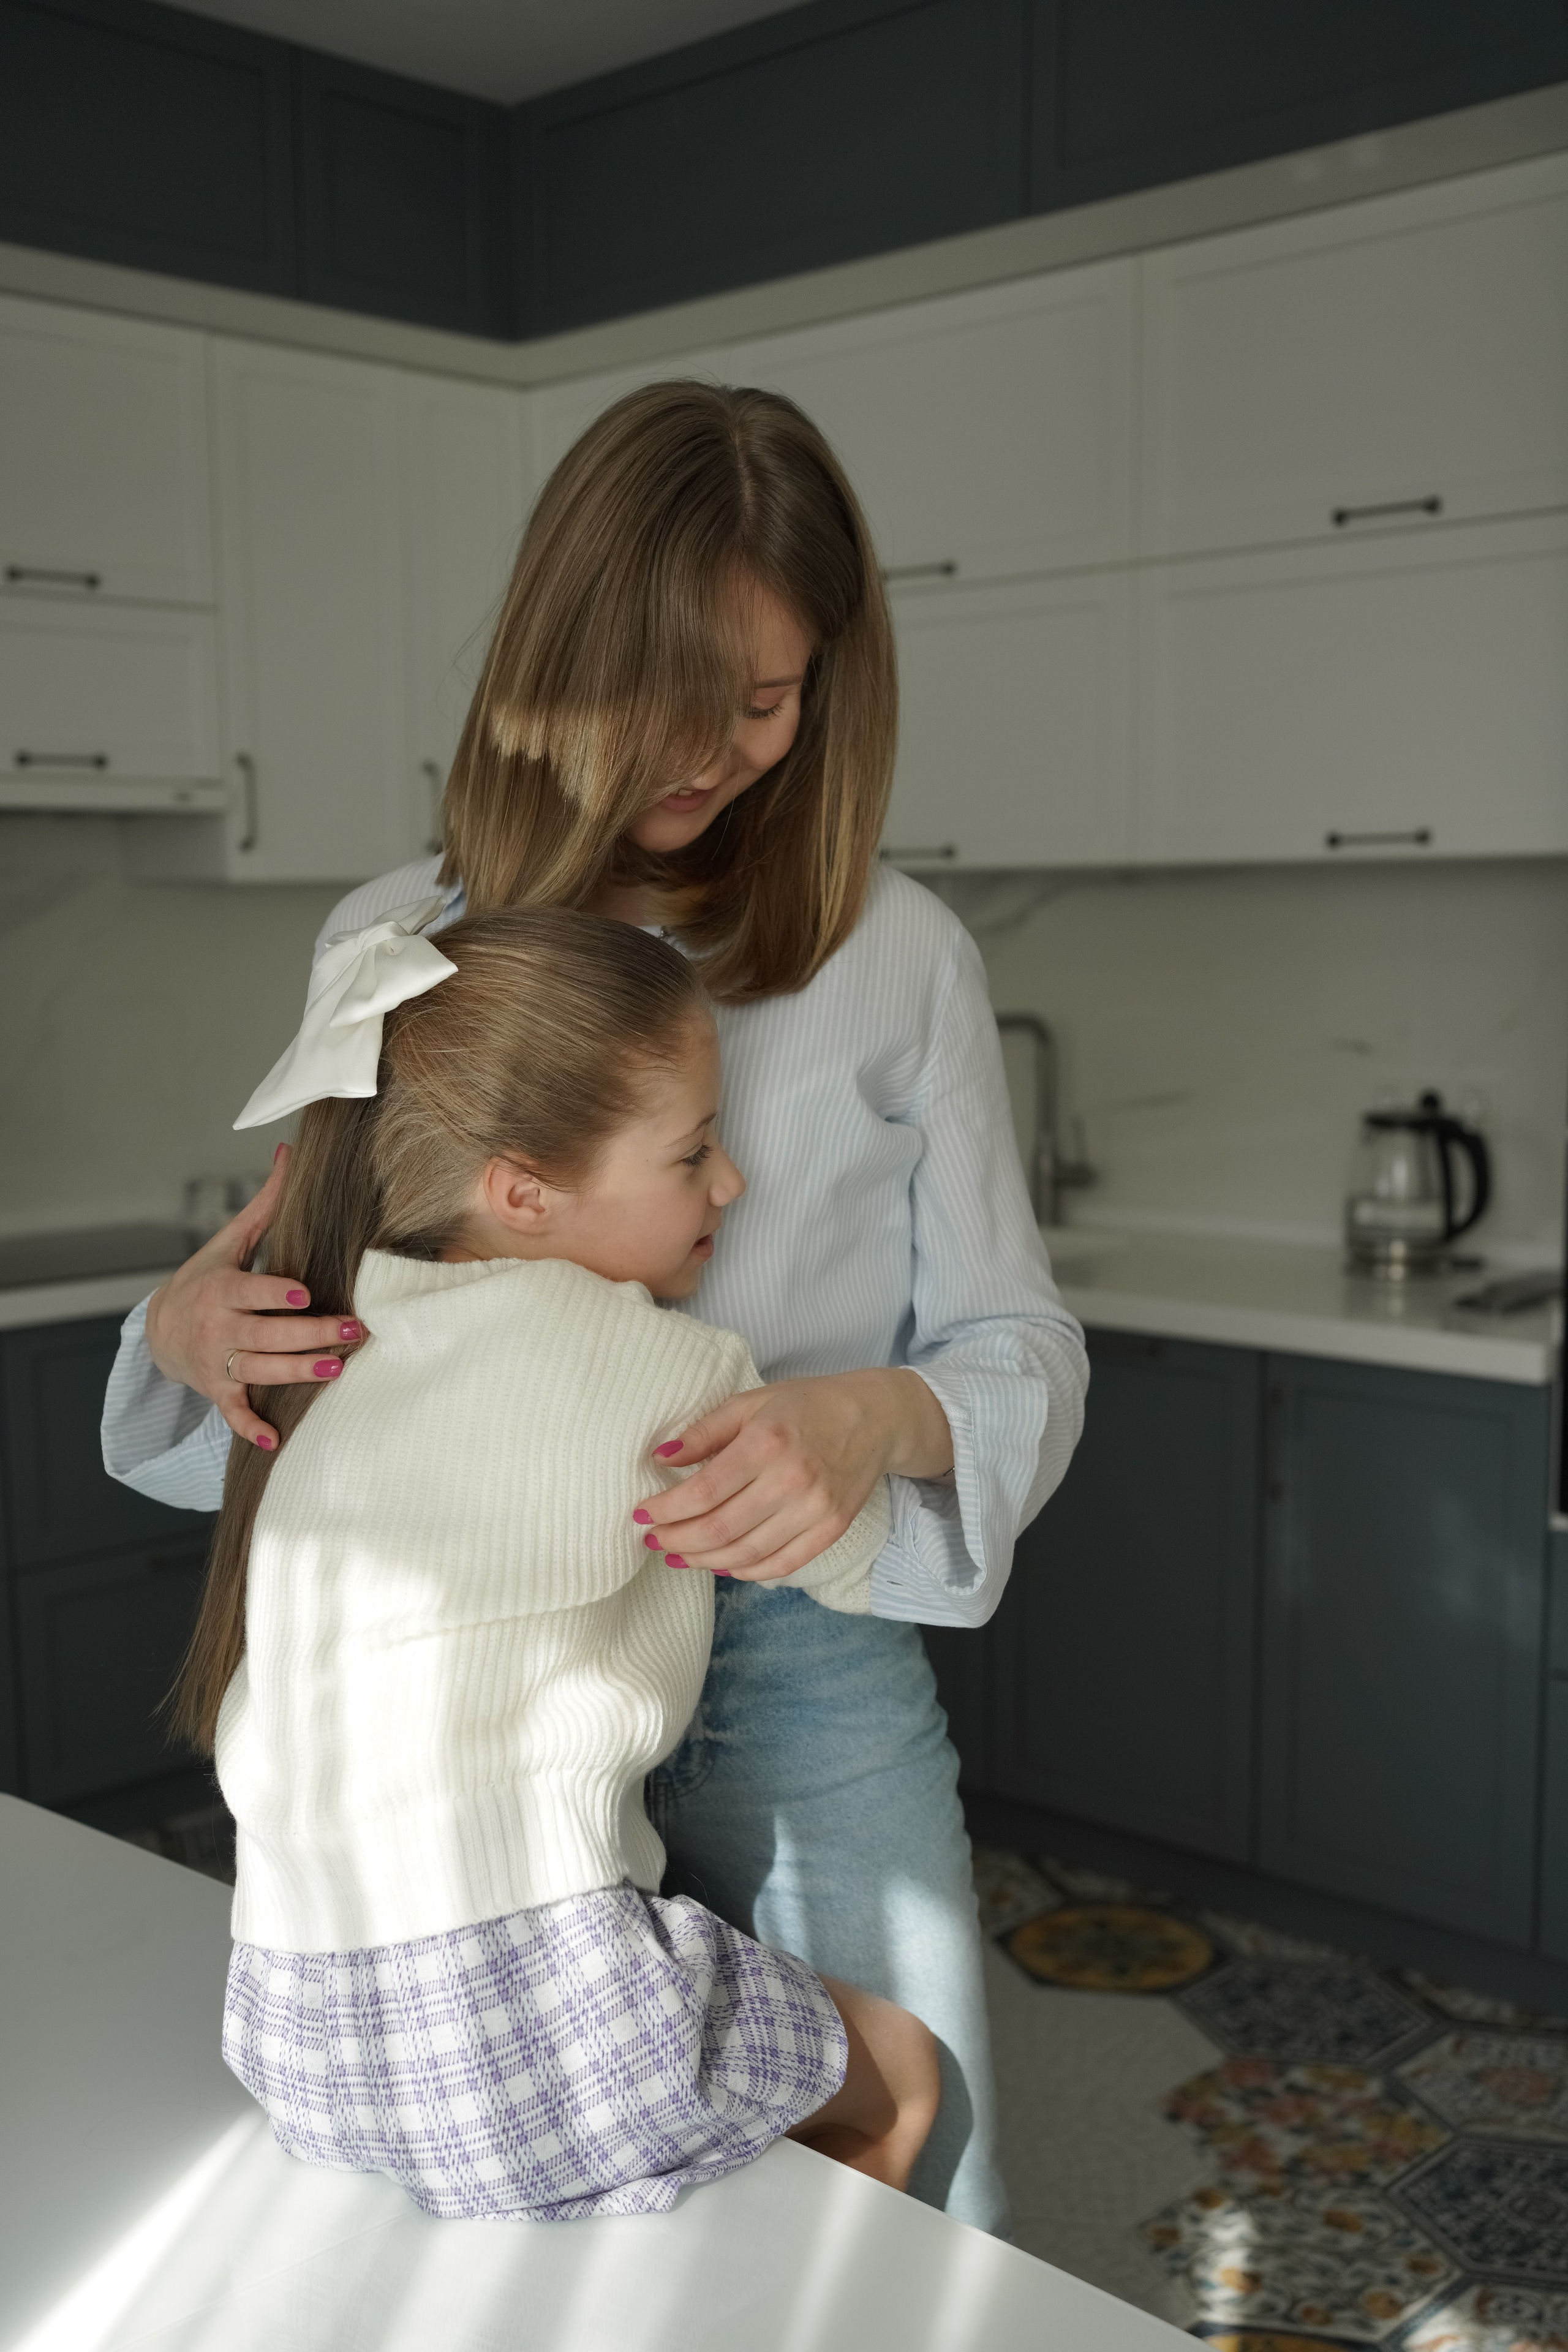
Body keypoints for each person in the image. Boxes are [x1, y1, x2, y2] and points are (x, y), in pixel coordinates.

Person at [102, 381, 1088, 2235]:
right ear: (556, 658)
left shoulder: (901, 956)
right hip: (462, 1680)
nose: (712, 752)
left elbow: (1019, 1344)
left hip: (801, 1649)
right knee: (561, 2228)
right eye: (666, 694)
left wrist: (869, 1418)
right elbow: (301, 1326)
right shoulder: (391, 942)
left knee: (920, 2199)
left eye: (766, 699)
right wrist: (189, 1333)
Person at [198, 899, 940, 2218]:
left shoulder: (337, 1357)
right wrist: (879, 1424)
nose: (732, 1186)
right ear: (525, 1191)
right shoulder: (665, 1363)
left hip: (290, 2032)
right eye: (694, 1153)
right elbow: (865, 1555)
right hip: (543, 2026)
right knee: (905, 2075)